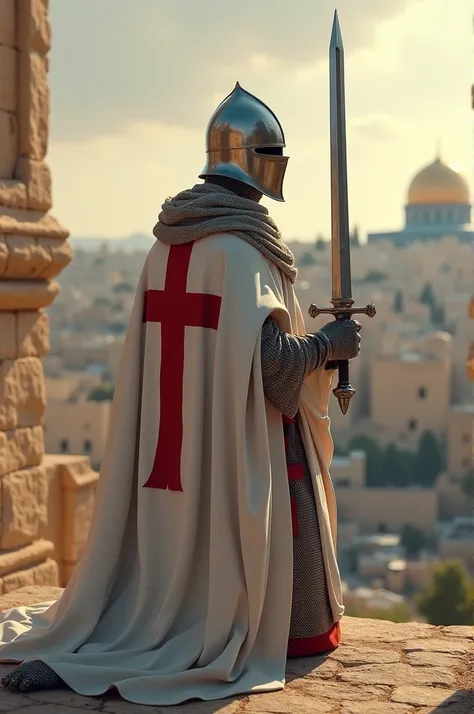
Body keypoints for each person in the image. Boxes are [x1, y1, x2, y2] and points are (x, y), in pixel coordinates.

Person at [0, 83, 361, 706]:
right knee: (277, 592)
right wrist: (331, 344)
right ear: (259, 160)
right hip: (229, 450)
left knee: (160, 583)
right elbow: (275, 376)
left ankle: (115, 639)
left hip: (166, 455)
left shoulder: (163, 245)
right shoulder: (242, 252)